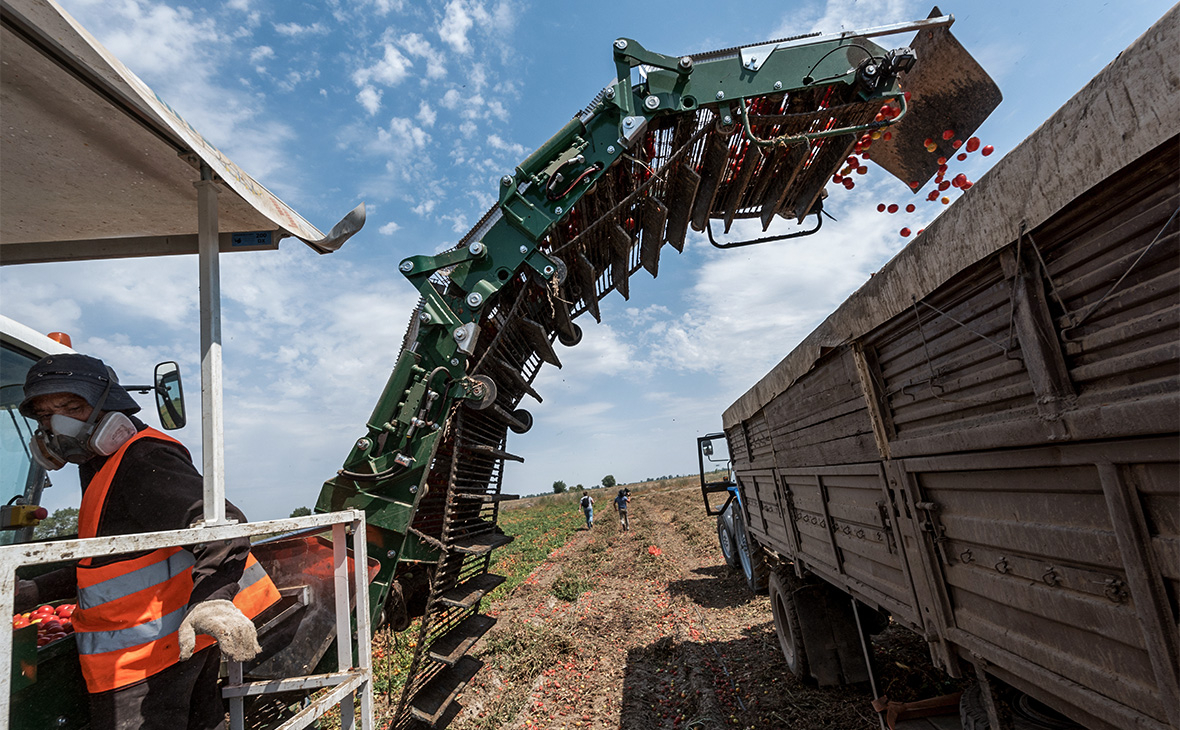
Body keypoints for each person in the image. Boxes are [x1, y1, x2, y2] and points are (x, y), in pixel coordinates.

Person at [14, 353, 280, 730]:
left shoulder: (142, 458)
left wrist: (212, 603)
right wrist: (37, 589)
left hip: (145, 659)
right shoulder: (100, 466)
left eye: (72, 407)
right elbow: (110, 563)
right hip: (160, 645)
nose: (57, 425)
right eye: (44, 416)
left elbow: (223, 525)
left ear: (109, 407)